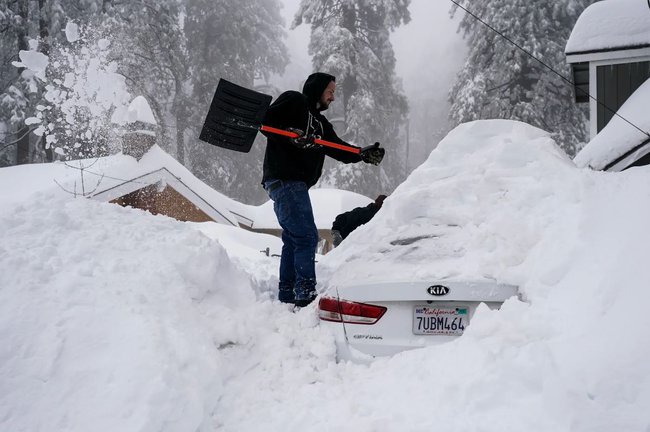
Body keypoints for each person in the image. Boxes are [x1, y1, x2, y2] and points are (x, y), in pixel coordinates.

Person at [261, 72, 385, 307]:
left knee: (294, 238)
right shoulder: (294, 101)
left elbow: (338, 148)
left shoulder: (319, 123)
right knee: (307, 237)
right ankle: (305, 293)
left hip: (292, 185)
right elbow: (267, 123)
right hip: (286, 180)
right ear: (318, 89)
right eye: (330, 92)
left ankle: (287, 293)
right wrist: (292, 136)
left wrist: (361, 154)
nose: (334, 98)